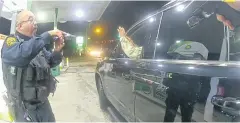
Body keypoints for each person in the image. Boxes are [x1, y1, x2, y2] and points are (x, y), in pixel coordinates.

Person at [1, 10, 64, 122]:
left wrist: (57, 51)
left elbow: (51, 62)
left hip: (43, 105)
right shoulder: (11, 42)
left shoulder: (38, 45)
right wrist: (47, 36)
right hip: (23, 108)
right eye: (30, 20)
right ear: (19, 26)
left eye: (35, 20)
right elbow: (21, 55)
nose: (35, 23)